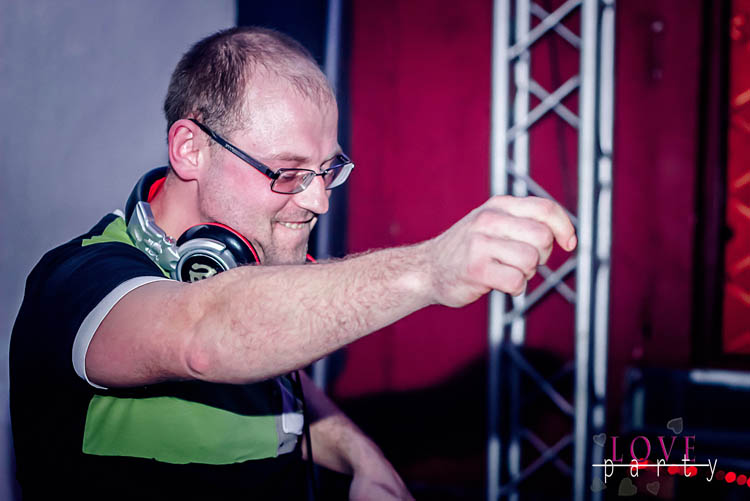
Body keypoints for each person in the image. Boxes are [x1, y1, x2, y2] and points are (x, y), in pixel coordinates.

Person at [10, 26, 576, 500]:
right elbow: (205, 334)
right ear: (190, 149)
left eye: (327, 170)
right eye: (288, 172)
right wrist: (430, 269)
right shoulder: (76, 285)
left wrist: (362, 458)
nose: (318, 200)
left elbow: (278, 375)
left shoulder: (244, 274)